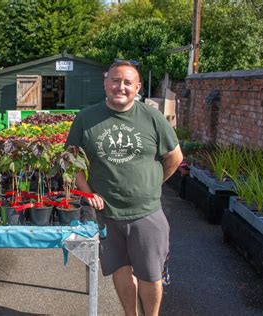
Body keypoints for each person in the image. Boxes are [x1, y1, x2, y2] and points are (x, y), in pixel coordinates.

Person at [66, 60, 183, 316]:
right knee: (119, 269)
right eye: (115, 81)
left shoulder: (152, 117)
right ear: (106, 83)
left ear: (137, 87)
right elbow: (71, 162)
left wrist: (155, 183)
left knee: (151, 275)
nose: (121, 87)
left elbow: (175, 157)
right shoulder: (87, 118)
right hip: (107, 214)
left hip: (147, 213)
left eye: (128, 82)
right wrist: (87, 192)